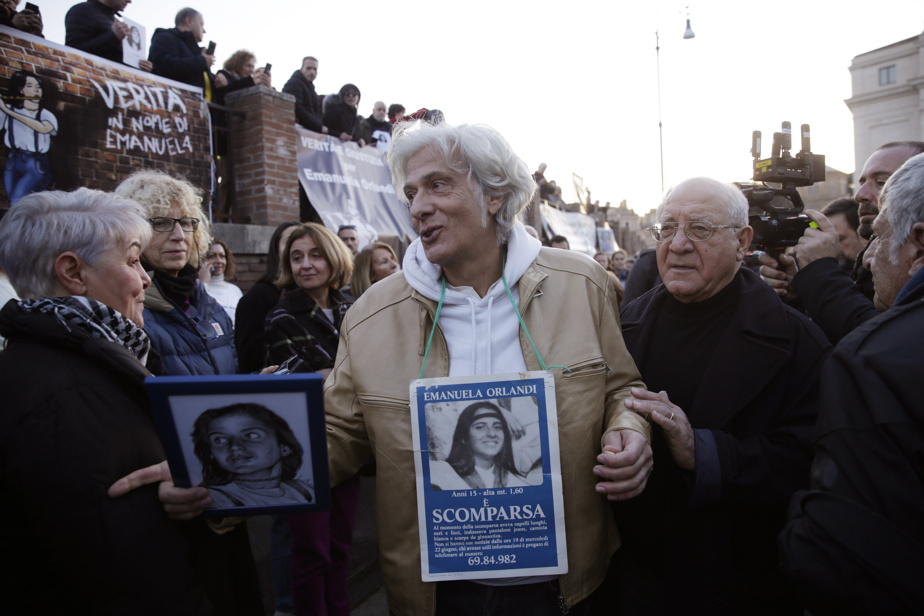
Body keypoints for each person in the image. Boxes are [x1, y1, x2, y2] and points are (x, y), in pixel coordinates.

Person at [321, 121, 652, 615]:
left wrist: (630, 431)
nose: (417, 207)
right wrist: (221, 479)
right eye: (411, 193)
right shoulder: (370, 315)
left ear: (494, 195)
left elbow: (621, 388)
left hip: (566, 587)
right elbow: (335, 436)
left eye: (437, 184)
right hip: (437, 596)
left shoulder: (582, 284)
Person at [612, 177, 831, 615]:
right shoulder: (623, 324)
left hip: (740, 584)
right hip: (635, 582)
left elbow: (812, 465)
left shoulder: (796, 340)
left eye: (699, 229)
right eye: (666, 228)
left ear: (742, 240)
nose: (677, 245)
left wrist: (703, 452)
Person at [0, 188, 213, 614]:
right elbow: (128, 575)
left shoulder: (74, 362)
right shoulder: (70, 397)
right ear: (73, 273)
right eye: (134, 261)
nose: (147, 278)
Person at [779, 151, 924, 615]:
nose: (870, 255)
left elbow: (844, 554)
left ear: (917, 244)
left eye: (879, 238)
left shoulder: (874, 360)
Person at [264, 222, 360, 616]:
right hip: (302, 445)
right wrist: (345, 375)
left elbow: (361, 371)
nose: (305, 265)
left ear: (333, 257)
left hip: (350, 440)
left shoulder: (353, 307)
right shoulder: (282, 315)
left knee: (339, 546)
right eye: (297, 257)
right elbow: (302, 379)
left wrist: (338, 375)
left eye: (315, 254)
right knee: (310, 551)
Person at [759, 141, 924, 343]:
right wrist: (802, 290)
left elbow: (883, 343)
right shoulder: (869, 260)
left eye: (881, 183)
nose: (860, 195)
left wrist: (821, 274)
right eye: (862, 182)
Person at [114, 170, 237, 376]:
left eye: (186, 222)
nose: (179, 235)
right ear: (132, 232)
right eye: (161, 223)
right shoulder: (126, 314)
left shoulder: (212, 307)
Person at [192, 402, 315, 508]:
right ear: (211, 453)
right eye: (219, 440)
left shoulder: (304, 490)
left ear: (284, 447)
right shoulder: (215, 499)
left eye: (251, 436)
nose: (234, 447)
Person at [234, 221, 299, 373]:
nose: (296, 249)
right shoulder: (258, 298)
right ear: (276, 250)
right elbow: (250, 359)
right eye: (289, 241)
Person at [429, 401, 533, 491]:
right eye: (480, 427)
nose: (492, 434)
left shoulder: (519, 484)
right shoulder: (437, 474)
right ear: (464, 437)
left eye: (498, 427)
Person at [1, 69, 57, 205]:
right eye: (30, 86)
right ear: (21, 90)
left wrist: (7, 110)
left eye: (38, 87)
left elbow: (43, 128)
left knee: (16, 203)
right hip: (13, 160)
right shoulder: (9, 111)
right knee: (13, 203)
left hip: (36, 163)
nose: (37, 91)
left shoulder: (46, 114)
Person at [149, 7, 226, 98]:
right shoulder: (164, 38)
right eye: (201, 24)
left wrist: (222, 81)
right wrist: (202, 62)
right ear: (189, 21)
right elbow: (165, 66)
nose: (204, 31)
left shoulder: (198, 53)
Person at [64, 0, 153, 70]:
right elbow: (72, 53)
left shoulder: (114, 20)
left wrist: (141, 66)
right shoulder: (82, 10)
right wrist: (113, 37)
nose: (129, 1)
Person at [201, 238, 243, 327]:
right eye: (212, 256)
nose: (219, 261)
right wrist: (203, 283)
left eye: (222, 256)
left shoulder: (234, 290)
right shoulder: (199, 288)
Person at [283, 56, 327, 134]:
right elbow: (296, 109)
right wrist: (318, 127)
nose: (312, 72)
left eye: (315, 69)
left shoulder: (312, 90)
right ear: (302, 69)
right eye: (308, 68)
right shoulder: (294, 84)